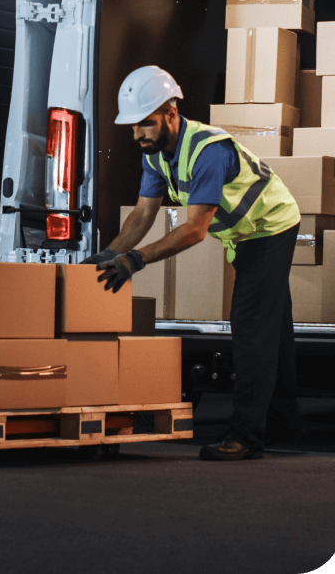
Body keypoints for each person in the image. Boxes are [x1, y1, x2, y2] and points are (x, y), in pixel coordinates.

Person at [82, 65, 302, 461]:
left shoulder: (207, 151)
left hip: (269, 229)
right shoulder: (157, 154)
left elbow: (195, 230)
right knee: (274, 329)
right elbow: (143, 215)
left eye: (144, 124)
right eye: (132, 127)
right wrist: (108, 254)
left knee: (251, 329)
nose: (137, 135)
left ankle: (246, 437)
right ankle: (284, 422)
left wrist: (135, 260)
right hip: (245, 235)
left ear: (170, 111)